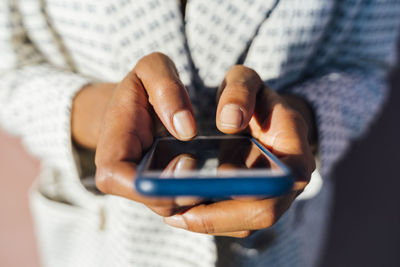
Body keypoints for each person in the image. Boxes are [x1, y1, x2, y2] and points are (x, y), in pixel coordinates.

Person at [1, 0, 399, 266]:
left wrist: (300, 117)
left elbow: (365, 63)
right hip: (103, 242)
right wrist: (102, 116)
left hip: (278, 244)